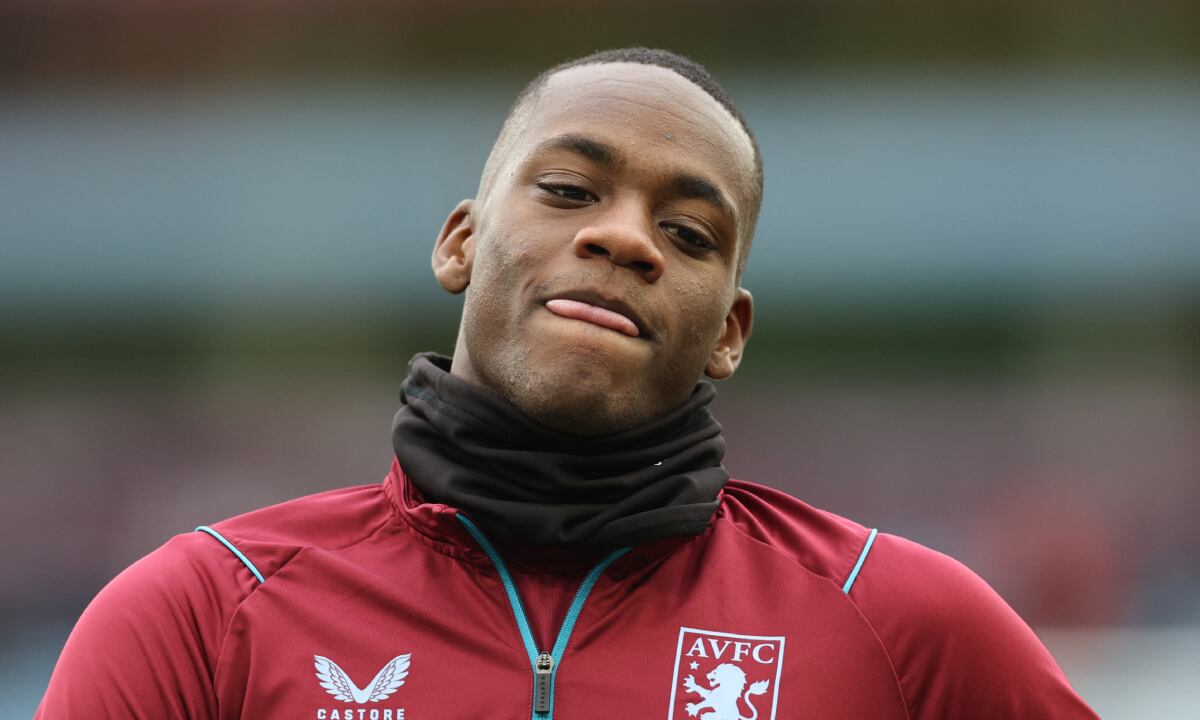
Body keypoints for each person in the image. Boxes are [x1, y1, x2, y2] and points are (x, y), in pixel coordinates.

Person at [37, 47, 1098, 719]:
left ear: (729, 333)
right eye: (567, 188)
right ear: (460, 242)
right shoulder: (203, 614)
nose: (624, 237)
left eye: (688, 233)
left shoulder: (903, 626)